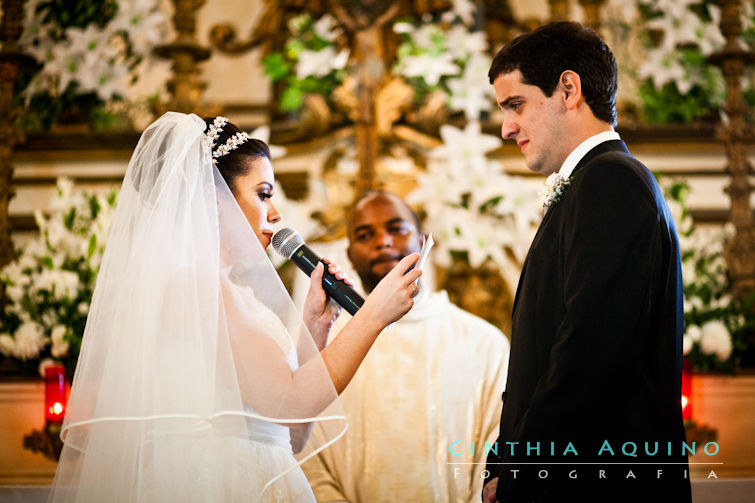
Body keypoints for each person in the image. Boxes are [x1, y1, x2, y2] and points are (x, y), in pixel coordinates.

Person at [48, 113, 422, 503]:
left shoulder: (234, 292)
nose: (276, 214)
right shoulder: (190, 284)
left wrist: (316, 324)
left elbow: (291, 433)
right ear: (215, 200)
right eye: (263, 193)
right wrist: (373, 315)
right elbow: (288, 401)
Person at [482, 22, 691, 503]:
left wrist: (519, 474)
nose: (506, 127)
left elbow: (587, 357)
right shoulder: (593, 185)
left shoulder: (611, 184)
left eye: (515, 105)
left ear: (568, 89)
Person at [301, 190, 510, 502]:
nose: (383, 241)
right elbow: (304, 447)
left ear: (423, 239)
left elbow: (498, 442)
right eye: (365, 234)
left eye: (397, 229)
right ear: (350, 252)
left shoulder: (483, 342)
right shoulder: (325, 342)